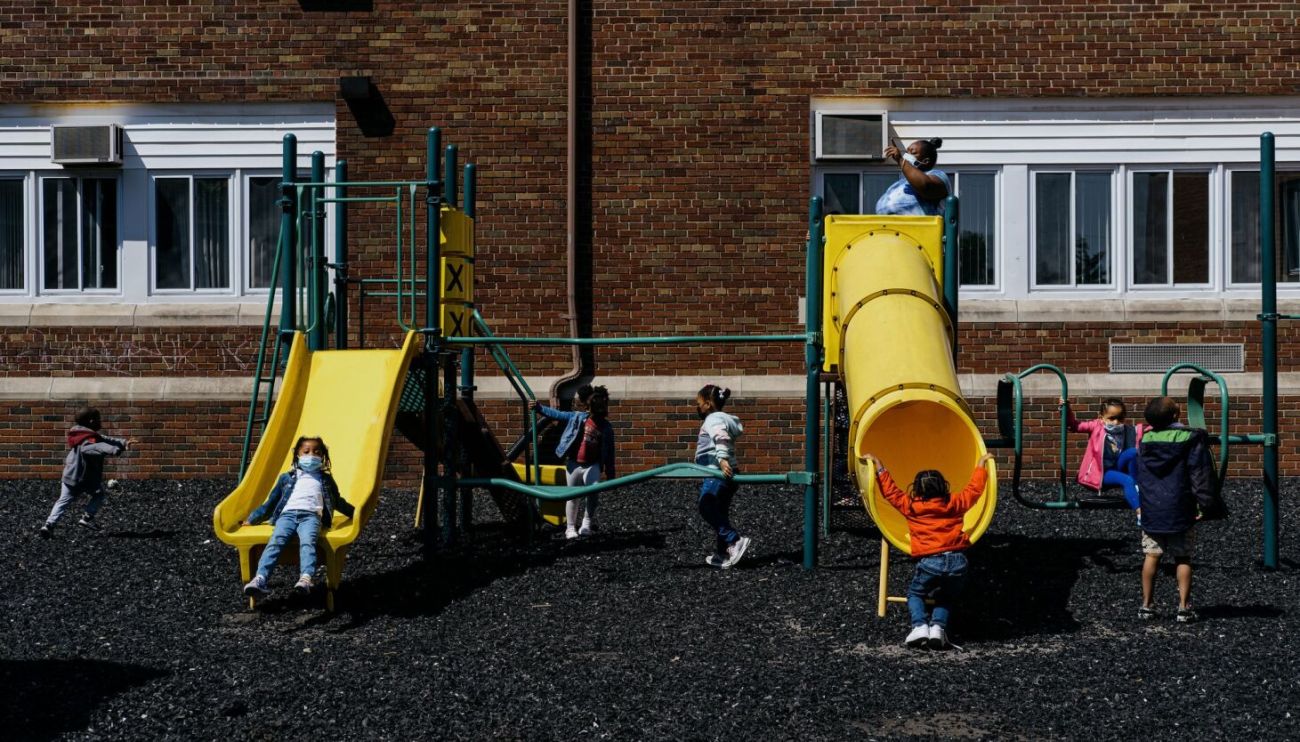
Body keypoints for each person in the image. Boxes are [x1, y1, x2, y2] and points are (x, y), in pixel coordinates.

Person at [863, 452, 993, 650]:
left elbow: (892, 493)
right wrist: (980, 466)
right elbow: (974, 490)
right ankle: (938, 629)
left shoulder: (911, 507)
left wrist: (880, 468)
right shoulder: (954, 503)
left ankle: (920, 626)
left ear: (916, 489)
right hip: (958, 560)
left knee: (915, 594)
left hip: (930, 561)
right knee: (946, 596)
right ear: (943, 486)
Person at [1133, 397, 1225, 624]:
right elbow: (1199, 474)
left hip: (1152, 507)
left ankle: (1146, 605)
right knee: (1183, 557)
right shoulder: (1190, 437)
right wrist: (1207, 504)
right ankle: (1184, 607)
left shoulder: (1145, 438)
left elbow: (1142, 474)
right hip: (1180, 506)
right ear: (1176, 416)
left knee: (1151, 556)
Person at [241, 436, 355, 599]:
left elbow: (337, 501)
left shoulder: (325, 479)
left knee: (308, 542)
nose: (311, 455)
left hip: (311, 517)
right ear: (298, 455)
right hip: (287, 516)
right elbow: (271, 502)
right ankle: (260, 579)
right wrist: (252, 519)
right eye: (306, 452)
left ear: (322, 456)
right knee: (276, 542)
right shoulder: (286, 478)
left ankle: (305, 578)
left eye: (316, 452)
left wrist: (356, 513)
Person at [38, 407, 137, 538]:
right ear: (91, 421)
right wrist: (114, 450)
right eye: (98, 419)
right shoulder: (89, 439)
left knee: (63, 501)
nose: (100, 422)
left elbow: (104, 439)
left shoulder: (80, 434)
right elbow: (94, 446)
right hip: (85, 478)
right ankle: (87, 518)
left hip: (69, 475)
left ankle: (48, 525)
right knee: (99, 495)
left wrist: (123, 443)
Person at [533, 384, 616, 539]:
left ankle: (586, 522)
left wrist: (611, 475)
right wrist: (539, 408)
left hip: (592, 464)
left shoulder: (606, 428)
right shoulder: (578, 418)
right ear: (588, 407)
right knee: (572, 496)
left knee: (593, 493)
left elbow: (610, 453)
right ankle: (570, 527)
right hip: (574, 463)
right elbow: (558, 414)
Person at [694, 384, 750, 569]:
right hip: (727, 475)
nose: (698, 407)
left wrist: (722, 459)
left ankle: (735, 541)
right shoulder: (724, 418)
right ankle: (722, 552)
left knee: (706, 506)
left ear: (708, 404)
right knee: (720, 513)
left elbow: (720, 436)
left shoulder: (713, 419)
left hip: (716, 473)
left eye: (699, 403)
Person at [1061, 397, 1147, 511]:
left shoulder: (1127, 429)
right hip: (1102, 473)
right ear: (1101, 418)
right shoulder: (1096, 426)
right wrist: (1066, 409)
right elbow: (1074, 425)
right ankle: (1140, 512)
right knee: (1127, 480)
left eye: (1120, 418)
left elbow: (1146, 428)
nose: (1116, 422)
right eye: (1111, 418)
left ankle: (1136, 487)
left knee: (1132, 452)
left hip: (1117, 467)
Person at [874, 137, 951, 216]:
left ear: (925, 161)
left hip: (921, 227)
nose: (907, 155)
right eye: (907, 151)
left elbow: (926, 186)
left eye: (913, 152)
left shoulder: (937, 174)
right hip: (886, 226)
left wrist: (900, 160)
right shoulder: (902, 181)